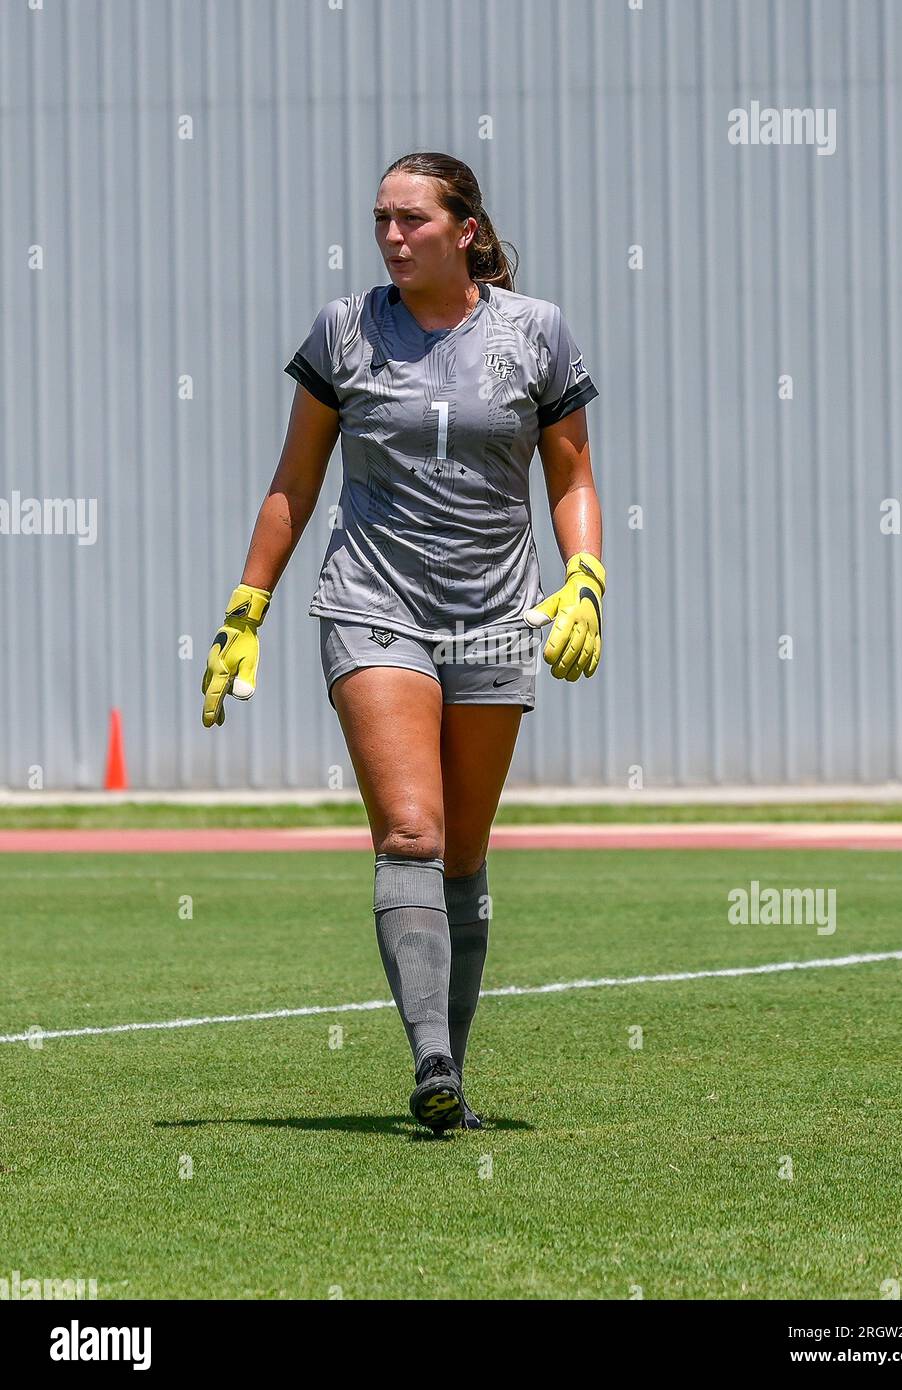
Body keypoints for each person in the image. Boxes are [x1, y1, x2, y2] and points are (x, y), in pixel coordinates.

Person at [201, 151, 604, 1133]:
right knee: (413, 832)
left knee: (462, 851)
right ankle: (428, 1054)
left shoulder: (536, 332)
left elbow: (571, 475)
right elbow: (294, 480)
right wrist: (246, 606)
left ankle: (449, 1076)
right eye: (381, 218)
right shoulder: (344, 329)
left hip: (499, 614)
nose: (390, 235)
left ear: (466, 230)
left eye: (411, 219)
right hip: (372, 602)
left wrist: (584, 576)